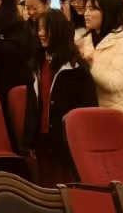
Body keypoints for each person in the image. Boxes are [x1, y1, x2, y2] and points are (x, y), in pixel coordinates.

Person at [23, 10, 96, 185]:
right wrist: (29, 140)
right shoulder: (37, 65)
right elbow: (31, 106)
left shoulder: (76, 69)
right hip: (42, 141)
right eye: (38, 29)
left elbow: (87, 108)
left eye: (46, 29)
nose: (41, 34)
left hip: (66, 143)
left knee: (66, 190)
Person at [83, 0, 123, 116]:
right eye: (86, 9)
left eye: (92, 9)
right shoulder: (84, 41)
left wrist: (90, 65)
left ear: (107, 13)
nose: (86, 14)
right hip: (93, 112)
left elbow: (115, 83)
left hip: (120, 115)